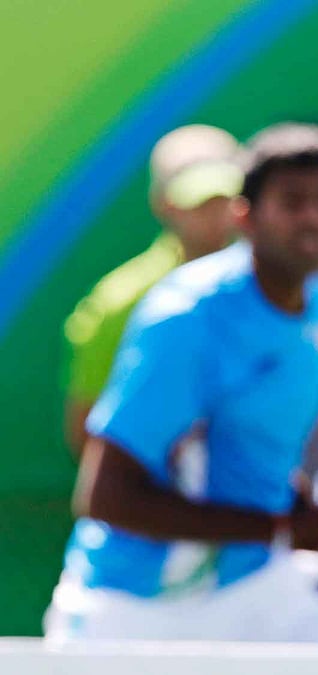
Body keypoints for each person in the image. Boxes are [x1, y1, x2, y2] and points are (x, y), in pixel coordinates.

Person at [45, 123, 318, 642]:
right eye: (293, 202)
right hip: (134, 603)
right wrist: (285, 529)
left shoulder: (316, 306)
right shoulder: (186, 317)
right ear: (245, 217)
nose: (312, 217)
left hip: (250, 584)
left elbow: (252, 453)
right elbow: (106, 498)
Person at [63, 124, 243, 457]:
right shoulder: (118, 303)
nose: (216, 216)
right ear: (162, 204)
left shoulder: (274, 291)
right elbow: (87, 432)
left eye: (225, 200)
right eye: (199, 202)